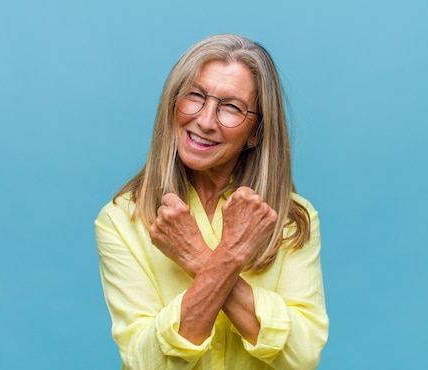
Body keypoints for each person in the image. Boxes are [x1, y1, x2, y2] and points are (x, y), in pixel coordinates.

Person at [95, 34, 329, 369]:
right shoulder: (121, 220)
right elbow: (146, 362)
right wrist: (228, 258)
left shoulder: (293, 218)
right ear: (172, 103)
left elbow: (302, 356)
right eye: (195, 96)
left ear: (257, 132)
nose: (205, 121)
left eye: (231, 107)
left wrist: (198, 257)